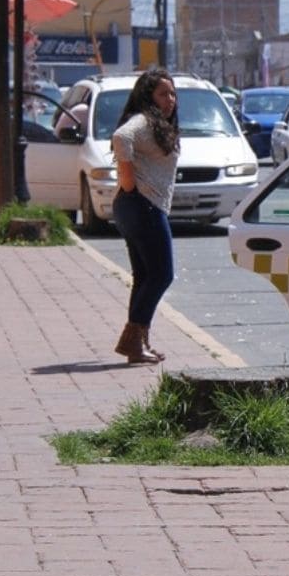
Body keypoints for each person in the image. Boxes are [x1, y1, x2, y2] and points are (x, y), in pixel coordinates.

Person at [109, 68, 180, 365]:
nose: (171, 99)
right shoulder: (143, 120)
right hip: (141, 205)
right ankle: (132, 338)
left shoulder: (158, 124)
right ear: (147, 96)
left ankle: (139, 342)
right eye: (163, 93)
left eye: (173, 93)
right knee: (162, 274)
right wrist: (128, 181)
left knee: (145, 276)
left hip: (135, 206)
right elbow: (121, 136)